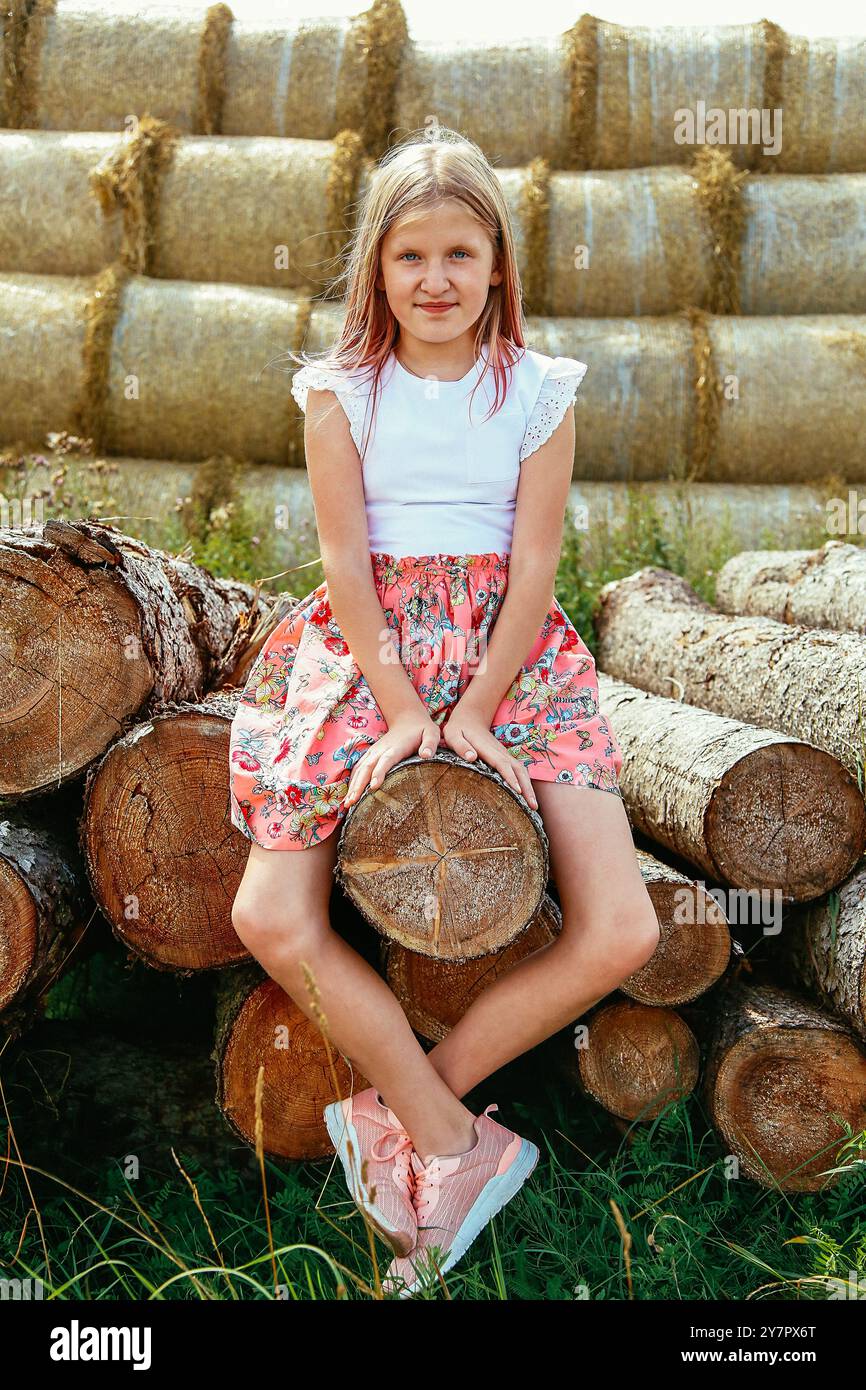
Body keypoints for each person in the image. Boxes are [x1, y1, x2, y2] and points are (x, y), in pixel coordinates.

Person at [228, 125, 660, 1297]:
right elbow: (344, 564)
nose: (434, 280)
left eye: (458, 254)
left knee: (622, 931)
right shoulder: (338, 391)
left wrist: (472, 707)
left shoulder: (536, 391)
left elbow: (530, 570)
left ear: (496, 265)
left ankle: (406, 1112)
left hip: (511, 659)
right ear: (376, 267)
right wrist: (402, 708)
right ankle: (453, 1141)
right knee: (270, 912)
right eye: (409, 255)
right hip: (370, 651)